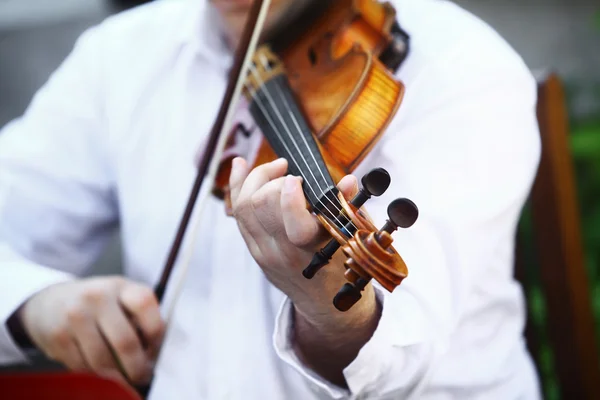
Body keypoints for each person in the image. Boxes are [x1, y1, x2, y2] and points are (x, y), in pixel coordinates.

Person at [0, 0, 543, 398]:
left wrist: (329, 304)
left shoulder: (460, 68)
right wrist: (34, 305)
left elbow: (402, 353)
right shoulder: (119, 55)